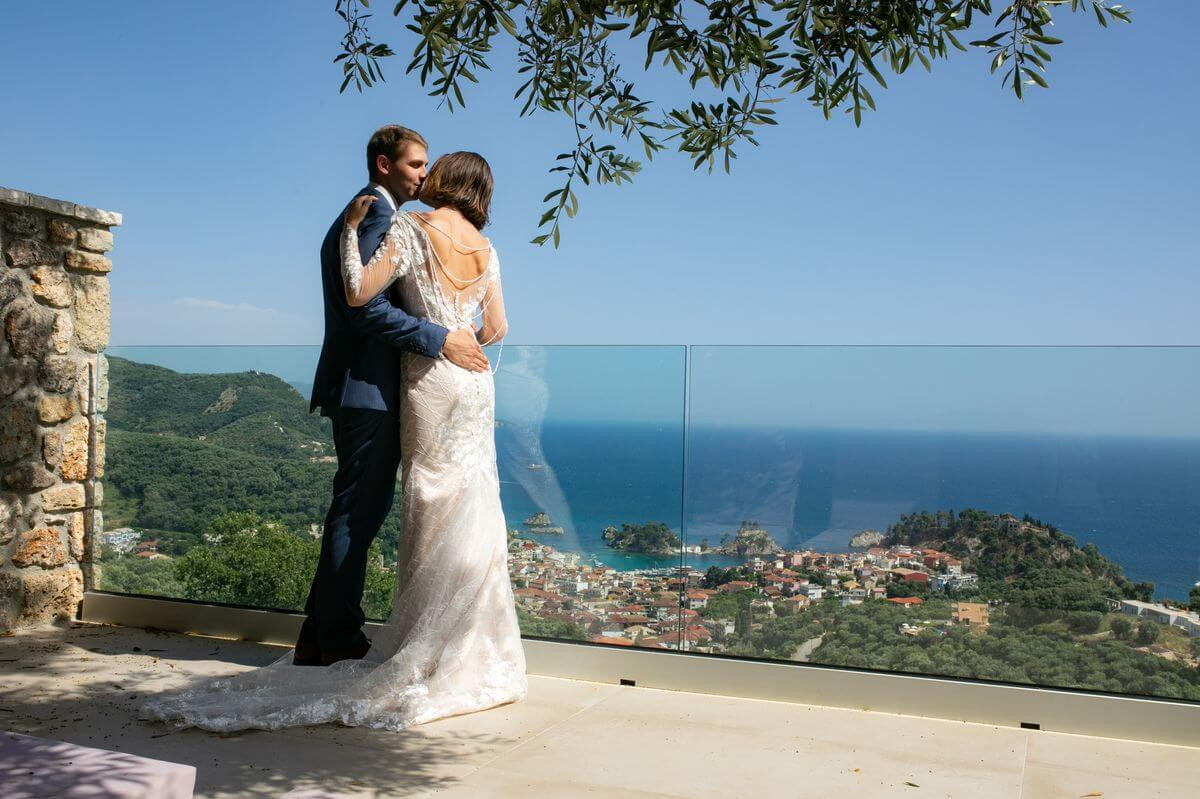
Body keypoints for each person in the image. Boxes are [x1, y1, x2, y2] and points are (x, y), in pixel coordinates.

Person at [139, 148, 527, 732]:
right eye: (417, 162)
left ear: (447, 179)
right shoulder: (487, 249)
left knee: (428, 501)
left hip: (430, 379)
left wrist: (350, 235)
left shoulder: (410, 225)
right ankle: (465, 644)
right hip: (473, 382)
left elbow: (359, 294)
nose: (425, 173)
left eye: (433, 166)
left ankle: (396, 638)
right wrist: (457, 330)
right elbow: (496, 327)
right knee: (473, 501)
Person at [298, 125, 489, 667]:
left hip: (366, 389)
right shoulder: (377, 215)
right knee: (357, 515)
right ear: (384, 165)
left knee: (358, 512)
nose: (425, 175)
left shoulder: (367, 212)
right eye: (415, 164)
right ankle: (337, 639)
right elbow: (364, 308)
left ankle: (319, 636)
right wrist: (440, 337)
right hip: (369, 389)